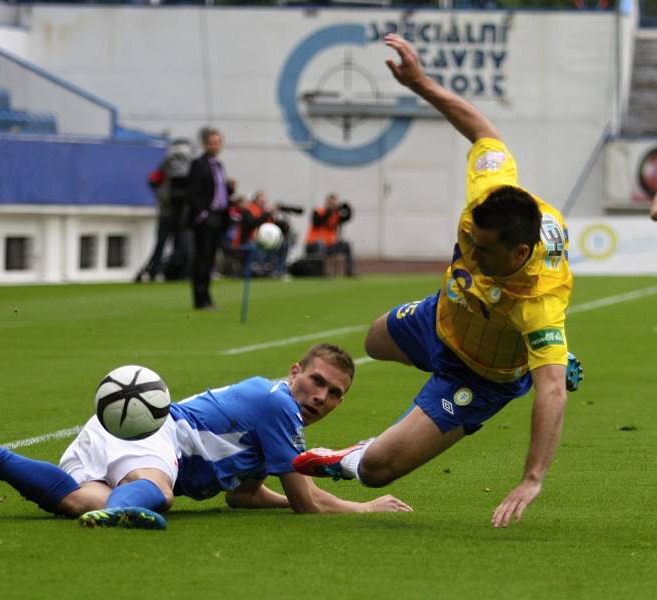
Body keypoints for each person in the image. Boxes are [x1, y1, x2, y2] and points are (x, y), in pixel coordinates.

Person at [293, 34, 583, 529]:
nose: (470, 249)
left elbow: (552, 393)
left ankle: (349, 457)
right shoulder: (490, 197)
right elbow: (485, 132)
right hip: (442, 316)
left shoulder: (539, 300)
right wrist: (421, 83)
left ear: (518, 253)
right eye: (471, 237)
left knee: (378, 471)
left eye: (484, 250)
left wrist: (532, 477)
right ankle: (536, 353)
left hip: (480, 375)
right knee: (374, 339)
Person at [0, 344, 412, 530]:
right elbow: (307, 503)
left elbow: (242, 497)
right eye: (316, 381)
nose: (320, 396)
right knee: (157, 491)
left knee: (78, 502)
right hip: (152, 430)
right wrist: (364, 507)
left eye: (334, 393)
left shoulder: (274, 413)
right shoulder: (279, 406)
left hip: (117, 429)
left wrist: (290, 496)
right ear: (294, 373)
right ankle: (125, 508)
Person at [135, 138, 192, 283]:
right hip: (174, 212)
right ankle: (163, 271)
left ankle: (159, 271)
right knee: (174, 243)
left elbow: (153, 180)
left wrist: (159, 193)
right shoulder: (179, 165)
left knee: (166, 243)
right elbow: (153, 180)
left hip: (170, 212)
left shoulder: (166, 165)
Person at [187, 128, 230, 309]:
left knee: (211, 259)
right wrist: (202, 214)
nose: (215, 146)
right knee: (202, 259)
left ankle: (207, 296)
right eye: (212, 142)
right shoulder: (199, 164)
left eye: (218, 142)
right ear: (205, 144)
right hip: (206, 218)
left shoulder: (219, 166)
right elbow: (194, 192)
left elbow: (218, 192)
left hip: (219, 216)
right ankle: (200, 298)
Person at [305, 193, 355, 276]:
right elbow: (317, 222)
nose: (333, 205)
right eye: (331, 203)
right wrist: (328, 212)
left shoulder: (336, 215)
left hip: (330, 245)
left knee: (346, 245)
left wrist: (347, 207)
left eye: (334, 203)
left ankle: (349, 271)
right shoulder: (318, 211)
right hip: (313, 244)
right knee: (321, 244)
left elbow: (347, 217)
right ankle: (321, 272)